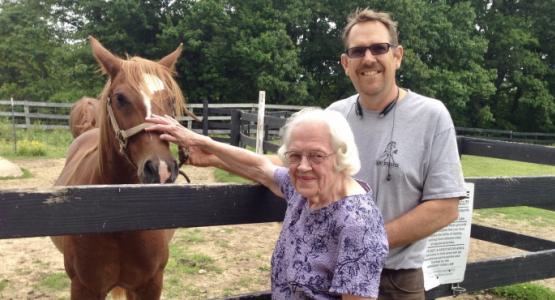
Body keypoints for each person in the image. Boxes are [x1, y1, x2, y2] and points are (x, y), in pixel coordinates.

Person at [146, 108, 388, 299]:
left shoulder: (358, 225)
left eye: (316, 155)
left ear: (341, 155)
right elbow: (261, 168)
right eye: (294, 156)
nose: (303, 166)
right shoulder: (303, 191)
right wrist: (208, 150)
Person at [327, 8, 467, 299]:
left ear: (397, 56)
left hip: (397, 281)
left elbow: (445, 207)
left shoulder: (431, 115)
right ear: (345, 63)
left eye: (379, 48)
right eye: (357, 51)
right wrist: (217, 153)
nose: (368, 58)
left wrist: (365, 241)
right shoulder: (335, 115)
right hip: (336, 272)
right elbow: (293, 163)